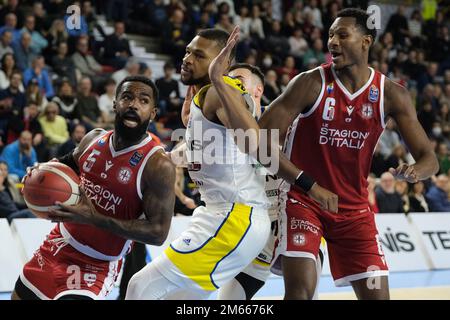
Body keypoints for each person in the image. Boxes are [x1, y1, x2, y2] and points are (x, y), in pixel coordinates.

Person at [258, 8, 438, 300]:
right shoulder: (310, 83)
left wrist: (417, 170)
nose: (332, 42)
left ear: (366, 41)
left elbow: (429, 158)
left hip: (354, 209)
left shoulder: (392, 94)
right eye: (330, 34)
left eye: (342, 34)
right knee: (300, 293)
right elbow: (259, 141)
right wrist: (309, 185)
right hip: (303, 199)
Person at [125, 28, 272, 300]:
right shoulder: (203, 102)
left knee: (140, 286)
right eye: (188, 51)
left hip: (236, 217)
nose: (188, 58)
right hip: (225, 215)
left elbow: (254, 140)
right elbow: (194, 146)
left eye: (198, 54)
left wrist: (303, 181)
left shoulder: (223, 93)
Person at [12, 75, 176, 300]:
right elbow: (64, 163)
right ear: (115, 103)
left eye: (143, 100)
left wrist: (94, 217)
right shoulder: (93, 139)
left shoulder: (157, 164)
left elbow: (158, 233)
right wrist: (37, 173)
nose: (134, 104)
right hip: (58, 243)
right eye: (127, 97)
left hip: (97, 265)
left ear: (153, 113)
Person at [217, 63, 323, 300]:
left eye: (238, 79)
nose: (231, 83)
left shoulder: (286, 120)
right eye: (228, 79)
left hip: (295, 223)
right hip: (253, 233)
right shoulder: (223, 125)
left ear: (257, 90)